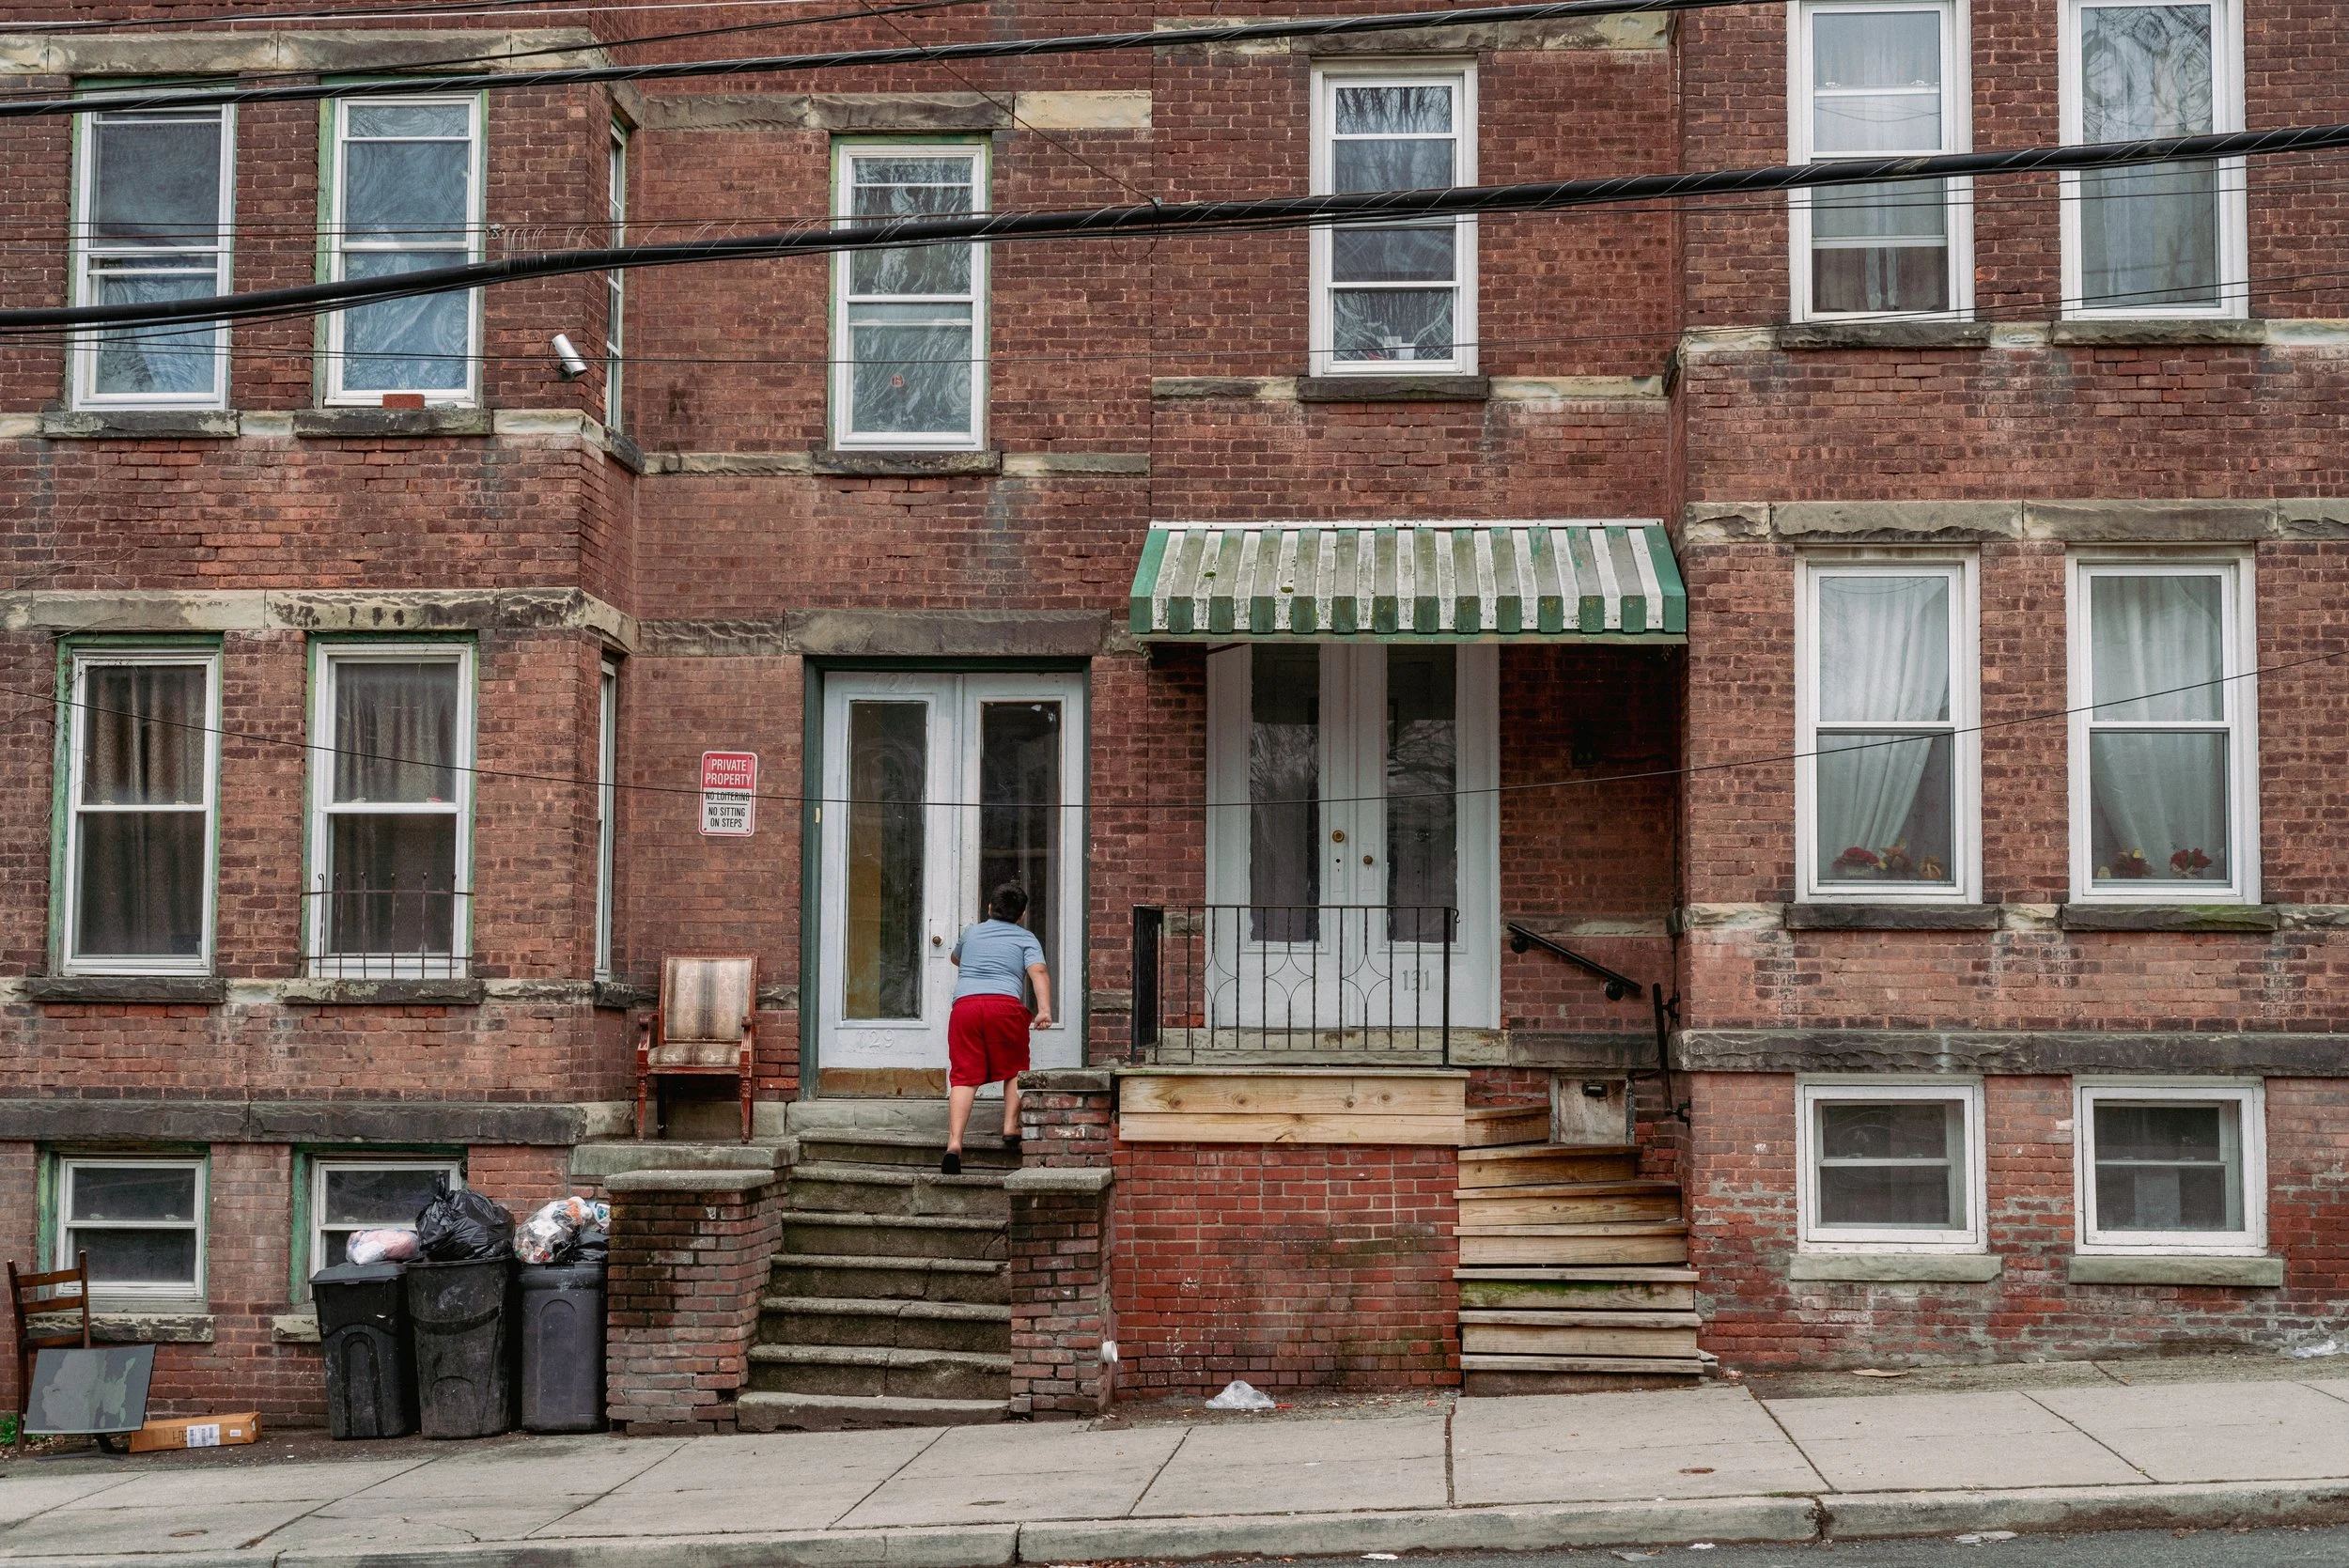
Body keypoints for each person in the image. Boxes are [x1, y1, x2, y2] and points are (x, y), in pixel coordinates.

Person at [941, 883, 1052, 1175]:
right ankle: (1010, 1126)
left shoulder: (972, 932)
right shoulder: (1026, 938)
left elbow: (956, 958)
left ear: (989, 909)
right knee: (1014, 1067)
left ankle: (954, 1145)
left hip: (965, 1008)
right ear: (1022, 915)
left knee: (964, 1076)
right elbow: (1038, 971)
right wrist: (1044, 1010)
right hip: (1003, 1007)